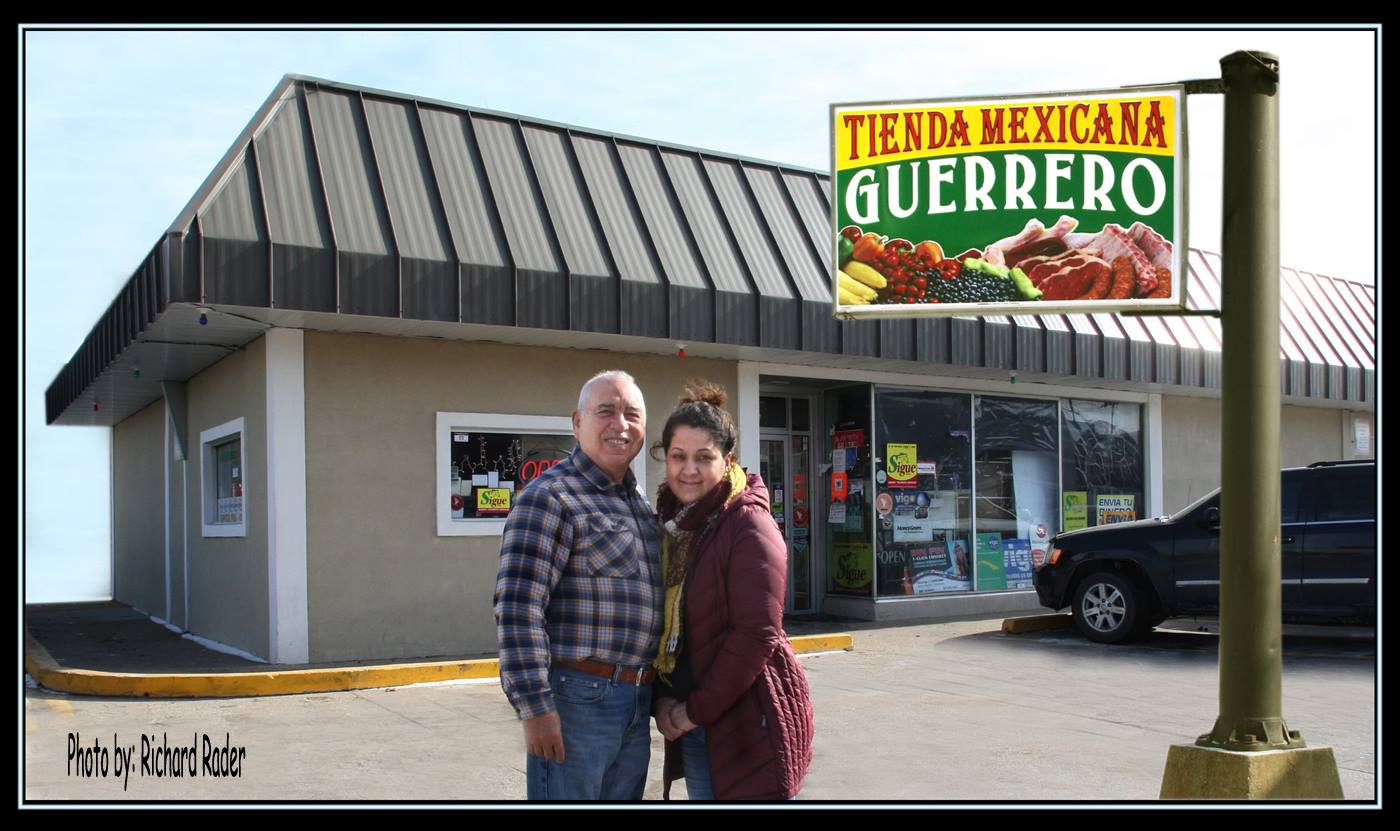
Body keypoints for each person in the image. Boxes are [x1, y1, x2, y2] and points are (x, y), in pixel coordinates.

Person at [493, 370, 664, 801]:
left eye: (632, 414)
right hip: (577, 702)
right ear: (576, 422)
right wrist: (535, 707)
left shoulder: (639, 506)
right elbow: (518, 608)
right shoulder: (549, 497)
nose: (620, 424)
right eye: (605, 411)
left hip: (636, 699)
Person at [650, 381, 814, 800]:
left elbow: (755, 634)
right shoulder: (677, 524)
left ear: (727, 461)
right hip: (701, 720)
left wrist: (692, 711)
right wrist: (666, 701)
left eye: (704, 458)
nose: (689, 470)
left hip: (747, 723)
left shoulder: (746, 524)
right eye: (678, 457)